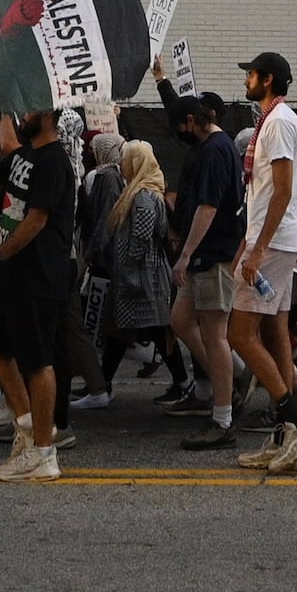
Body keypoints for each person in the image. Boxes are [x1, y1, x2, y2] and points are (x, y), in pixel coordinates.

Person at [0, 102, 78, 482]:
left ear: (47, 115)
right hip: (15, 273)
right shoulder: (23, 157)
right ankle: (29, 424)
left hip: (40, 273)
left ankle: (44, 454)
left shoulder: (53, 161)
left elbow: (36, 220)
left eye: (28, 111)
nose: (20, 117)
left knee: (37, 360)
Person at [229, 53, 297, 474]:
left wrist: (259, 248)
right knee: (274, 329)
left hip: (277, 241)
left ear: (267, 80)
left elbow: (282, 190)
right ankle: (286, 432)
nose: (246, 80)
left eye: (250, 74)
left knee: (239, 333)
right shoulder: (273, 120)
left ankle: (296, 421)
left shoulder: (281, 122)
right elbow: (264, 191)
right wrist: (248, 242)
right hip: (274, 239)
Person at [161, 88, 248, 446]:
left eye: (181, 127)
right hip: (206, 254)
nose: (180, 135)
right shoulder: (212, 145)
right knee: (180, 320)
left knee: (215, 335)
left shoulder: (215, 150)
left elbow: (208, 208)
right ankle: (238, 374)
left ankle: (223, 418)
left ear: (192, 121)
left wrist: (184, 255)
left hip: (213, 254)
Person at [95, 136, 180, 401]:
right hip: (143, 277)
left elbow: (140, 239)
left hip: (145, 279)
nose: (121, 164)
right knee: (124, 333)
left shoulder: (142, 196)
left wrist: (129, 272)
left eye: (126, 159)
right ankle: (101, 385)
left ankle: (183, 382)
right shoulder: (143, 190)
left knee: (154, 330)